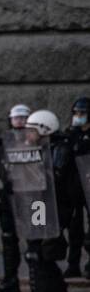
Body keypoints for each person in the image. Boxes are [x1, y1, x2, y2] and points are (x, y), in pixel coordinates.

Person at [18, 110, 74, 292]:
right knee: (41, 254)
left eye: (32, 131)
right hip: (37, 205)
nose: (28, 135)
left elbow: (54, 177)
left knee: (38, 253)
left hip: (48, 206)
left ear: (45, 130)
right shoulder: (32, 149)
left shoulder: (58, 149)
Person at [0, 104, 31, 292]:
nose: (19, 122)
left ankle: (39, 281)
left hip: (33, 198)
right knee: (8, 238)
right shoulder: (4, 141)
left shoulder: (36, 139)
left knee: (36, 242)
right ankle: (11, 278)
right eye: (16, 118)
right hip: (10, 196)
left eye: (23, 118)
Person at [64, 96, 89, 278]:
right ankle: (73, 264)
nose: (78, 116)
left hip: (89, 184)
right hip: (74, 186)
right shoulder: (70, 134)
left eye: (82, 113)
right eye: (76, 113)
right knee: (74, 227)